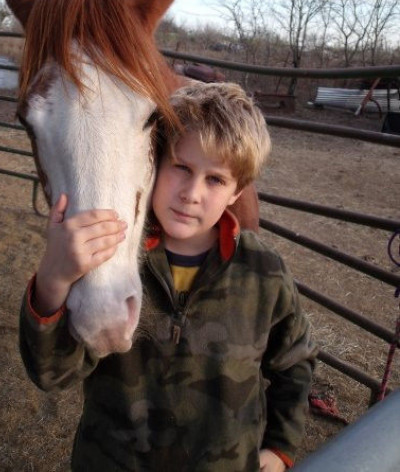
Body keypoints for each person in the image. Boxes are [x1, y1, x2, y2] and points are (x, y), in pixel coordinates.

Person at [19, 82, 316, 472]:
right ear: (152, 160)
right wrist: (53, 281)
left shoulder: (265, 273)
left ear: (236, 191)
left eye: (215, 180)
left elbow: (295, 363)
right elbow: (53, 373)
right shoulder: (111, 265)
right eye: (181, 167)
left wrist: (280, 447)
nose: (192, 193)